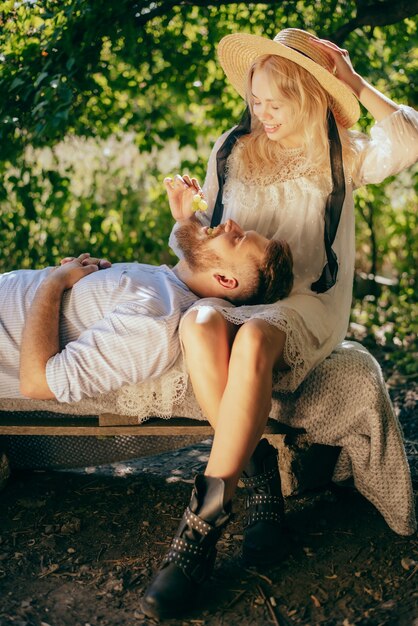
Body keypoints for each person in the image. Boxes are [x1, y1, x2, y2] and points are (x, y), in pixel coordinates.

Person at [140, 28, 418, 620]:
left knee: (260, 336)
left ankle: (199, 532)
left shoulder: (344, 150)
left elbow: (412, 138)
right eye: (255, 100)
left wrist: (355, 83)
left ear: (312, 96)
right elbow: (201, 250)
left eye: (276, 102)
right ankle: (256, 461)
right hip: (237, 298)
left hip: (305, 305)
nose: (261, 114)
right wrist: (184, 219)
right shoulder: (232, 150)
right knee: (201, 324)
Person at [0, 214, 293, 402]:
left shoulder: (155, 322)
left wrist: (52, 286)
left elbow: (37, 384)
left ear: (225, 280)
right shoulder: (164, 281)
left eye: (238, 238)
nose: (231, 224)